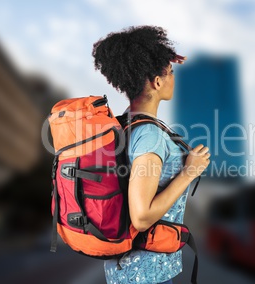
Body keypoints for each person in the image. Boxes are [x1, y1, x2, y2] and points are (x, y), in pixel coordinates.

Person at [92, 26, 210, 284]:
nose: (173, 78)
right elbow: (141, 216)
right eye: (171, 73)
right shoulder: (150, 136)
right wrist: (190, 171)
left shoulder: (123, 126)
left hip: (126, 270)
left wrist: (159, 57)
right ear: (157, 81)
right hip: (146, 276)